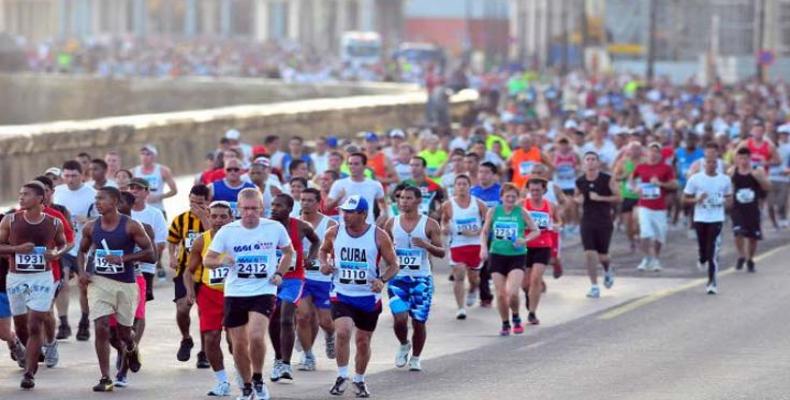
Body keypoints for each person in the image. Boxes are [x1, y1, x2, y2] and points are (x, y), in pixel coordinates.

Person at [203, 188, 295, 400]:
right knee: (238, 344)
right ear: (238, 208)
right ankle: (246, 387)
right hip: (235, 292)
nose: (250, 213)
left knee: (255, 335)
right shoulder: (228, 231)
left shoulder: (274, 227)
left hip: (264, 289)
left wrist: (280, 273)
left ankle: (258, 380)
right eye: (245, 208)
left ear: (262, 208)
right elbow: (208, 259)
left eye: (254, 208)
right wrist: (220, 260)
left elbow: (289, 252)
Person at [319, 195, 399, 398]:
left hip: (367, 297)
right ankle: (342, 375)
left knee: (363, 341)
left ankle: (359, 380)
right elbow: (323, 251)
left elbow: (394, 265)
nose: (344, 215)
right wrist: (324, 264)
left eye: (349, 212)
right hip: (341, 293)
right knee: (343, 332)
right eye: (343, 211)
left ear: (363, 214)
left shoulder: (379, 236)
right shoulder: (334, 231)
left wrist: (382, 279)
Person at [76, 186, 154, 392]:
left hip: (126, 283)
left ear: (115, 201)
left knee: (124, 334)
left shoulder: (131, 226)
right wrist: (82, 272)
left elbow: (150, 254)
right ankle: (105, 377)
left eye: (101, 199)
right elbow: (81, 252)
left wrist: (124, 258)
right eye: (96, 199)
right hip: (99, 282)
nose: (97, 203)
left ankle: (131, 347)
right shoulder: (91, 227)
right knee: (101, 327)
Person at [0, 182, 68, 389]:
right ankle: (31, 350)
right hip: (16, 277)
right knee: (21, 326)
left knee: (35, 323)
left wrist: (56, 254)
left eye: (26, 194)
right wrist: (17, 248)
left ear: (40, 199)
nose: (21, 198)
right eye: (20, 194)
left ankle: (29, 373)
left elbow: (63, 243)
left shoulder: (54, 223)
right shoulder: (10, 220)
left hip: (42, 277)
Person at [384, 186, 444, 371]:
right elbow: (381, 249)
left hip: (421, 279)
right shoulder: (391, 223)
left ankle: (416, 357)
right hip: (398, 279)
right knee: (400, 319)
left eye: (408, 198)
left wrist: (426, 245)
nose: (404, 201)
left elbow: (441, 252)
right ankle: (403, 344)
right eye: (401, 198)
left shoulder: (430, 224)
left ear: (418, 201)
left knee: (418, 321)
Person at [184, 200, 234, 396]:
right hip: (209, 293)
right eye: (214, 216)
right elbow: (189, 271)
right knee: (211, 338)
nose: (218, 220)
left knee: (234, 340)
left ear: (231, 218)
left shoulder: (239, 238)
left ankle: (242, 374)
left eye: (223, 216)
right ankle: (222, 381)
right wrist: (189, 291)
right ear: (208, 217)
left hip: (235, 294)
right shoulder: (202, 240)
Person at [268, 193, 320, 383]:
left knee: (286, 318)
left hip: (294, 278)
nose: (274, 208)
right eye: (273, 204)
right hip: (271, 279)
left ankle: (286, 364)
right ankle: (277, 359)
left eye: (279, 206)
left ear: (289, 209)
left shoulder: (301, 226)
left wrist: (311, 258)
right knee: (273, 320)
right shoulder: (265, 226)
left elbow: (316, 240)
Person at [479, 183, 539, 336]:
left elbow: (535, 230)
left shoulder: (521, 212)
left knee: (512, 292)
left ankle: (516, 317)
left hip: (517, 256)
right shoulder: (493, 211)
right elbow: (484, 232)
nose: (511, 199)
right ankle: (505, 323)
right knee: (500, 294)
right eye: (507, 196)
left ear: (517, 198)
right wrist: (483, 248)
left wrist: (524, 240)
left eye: (513, 197)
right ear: (501, 197)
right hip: (497, 255)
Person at [112, 191, 157, 387]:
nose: (114, 205)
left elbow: (152, 257)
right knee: (112, 333)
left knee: (132, 323)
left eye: (119, 202)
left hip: (134, 278)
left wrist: (125, 258)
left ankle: (122, 370)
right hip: (108, 279)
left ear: (130, 205)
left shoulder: (143, 227)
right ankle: (131, 349)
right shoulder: (101, 227)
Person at [167, 184, 211, 368]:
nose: (195, 207)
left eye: (200, 203)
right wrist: (171, 256)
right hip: (186, 271)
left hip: (209, 272)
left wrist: (204, 217)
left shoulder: (215, 218)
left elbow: (216, 237)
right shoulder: (181, 219)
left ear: (207, 201)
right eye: (192, 202)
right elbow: (173, 240)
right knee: (182, 308)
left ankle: (205, 352)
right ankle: (186, 338)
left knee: (205, 313)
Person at [295, 188, 338, 372]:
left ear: (318, 202)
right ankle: (308, 355)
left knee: (325, 322)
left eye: (309, 200)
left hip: (323, 278)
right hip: (301, 277)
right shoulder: (293, 222)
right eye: (302, 199)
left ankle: (329, 335)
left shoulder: (330, 224)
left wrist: (330, 264)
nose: (305, 203)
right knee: (303, 316)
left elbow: (338, 250)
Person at [53, 160, 96, 341]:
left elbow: (104, 218)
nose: (70, 179)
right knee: (61, 284)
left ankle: (85, 321)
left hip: (85, 247)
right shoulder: (58, 192)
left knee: (83, 286)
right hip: (64, 247)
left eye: (74, 175)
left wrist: (88, 220)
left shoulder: (92, 194)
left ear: (82, 175)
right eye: (67, 175)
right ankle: (63, 323)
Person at [683, 143, 733, 294]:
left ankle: (712, 283)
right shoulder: (695, 179)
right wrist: (696, 200)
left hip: (717, 218)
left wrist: (723, 201)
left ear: (717, 162)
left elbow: (730, 199)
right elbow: (684, 199)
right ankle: (701, 258)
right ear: (704, 162)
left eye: (714, 161)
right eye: (708, 161)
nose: (711, 164)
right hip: (700, 218)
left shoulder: (724, 179)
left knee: (712, 251)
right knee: (703, 249)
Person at [440, 174, 487, 319]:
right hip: (458, 244)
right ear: (454, 187)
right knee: (459, 274)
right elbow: (444, 223)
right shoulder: (448, 205)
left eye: (464, 184)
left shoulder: (479, 204)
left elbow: (488, 223)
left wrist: (478, 231)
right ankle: (460, 308)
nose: (461, 187)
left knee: (474, 277)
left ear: (469, 186)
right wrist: (445, 229)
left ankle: (473, 289)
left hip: (475, 245)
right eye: (458, 184)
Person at [575, 152, 621, 299]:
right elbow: (576, 197)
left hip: (604, 220)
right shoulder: (580, 181)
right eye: (587, 159)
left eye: (593, 159)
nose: (590, 162)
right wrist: (578, 200)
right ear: (583, 163)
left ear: (598, 162)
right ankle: (594, 286)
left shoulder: (607, 179)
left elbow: (619, 197)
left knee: (602, 256)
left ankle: (608, 269)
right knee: (589, 254)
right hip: (587, 220)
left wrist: (600, 198)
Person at [631, 143, 678, 271]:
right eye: (650, 151)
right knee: (645, 233)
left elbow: (674, 185)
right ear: (646, 153)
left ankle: (656, 259)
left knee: (659, 235)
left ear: (659, 154)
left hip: (660, 207)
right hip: (644, 205)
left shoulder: (666, 168)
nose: (653, 153)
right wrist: (635, 189)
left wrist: (660, 183)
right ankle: (646, 258)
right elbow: (632, 179)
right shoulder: (641, 167)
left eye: (656, 151)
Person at [523, 178, 562, 325]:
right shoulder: (522, 204)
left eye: (538, 190)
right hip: (525, 246)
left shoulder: (550, 206)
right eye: (532, 190)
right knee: (525, 283)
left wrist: (557, 225)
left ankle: (532, 313)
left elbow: (558, 220)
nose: (535, 193)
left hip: (543, 245)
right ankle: (528, 295)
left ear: (544, 190)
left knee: (535, 279)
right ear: (528, 191)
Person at [729, 147, 771, 272]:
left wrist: (758, 178)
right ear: (736, 159)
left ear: (750, 158)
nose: (743, 161)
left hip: (752, 208)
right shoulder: (732, 171)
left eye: (746, 158)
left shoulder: (757, 170)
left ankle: (750, 259)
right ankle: (741, 255)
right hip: (738, 208)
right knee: (738, 232)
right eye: (740, 158)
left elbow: (768, 187)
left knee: (753, 237)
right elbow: (727, 188)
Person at [127, 178, 168, 299]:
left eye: (138, 188)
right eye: (131, 188)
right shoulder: (121, 212)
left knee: (140, 305)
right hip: (124, 265)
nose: (134, 191)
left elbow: (160, 243)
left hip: (146, 266)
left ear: (147, 192)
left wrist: (141, 256)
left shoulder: (156, 213)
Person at [470, 162, 502, 308]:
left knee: (492, 266)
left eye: (487, 172)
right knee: (480, 267)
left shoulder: (500, 192)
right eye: (480, 172)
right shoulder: (472, 192)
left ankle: (494, 292)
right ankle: (485, 295)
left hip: (497, 236)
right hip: (478, 235)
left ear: (494, 175)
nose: (483, 175)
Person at [326, 153, 387, 226]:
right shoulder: (339, 184)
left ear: (364, 166)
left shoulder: (375, 184)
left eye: (356, 164)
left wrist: (383, 215)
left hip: (368, 228)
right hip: (345, 229)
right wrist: (338, 198)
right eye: (350, 164)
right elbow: (327, 207)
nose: (352, 166)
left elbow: (382, 203)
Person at [613, 142, 642, 251]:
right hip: (627, 195)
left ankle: (638, 235)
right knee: (628, 223)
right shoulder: (623, 162)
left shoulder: (644, 162)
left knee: (637, 219)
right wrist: (624, 176)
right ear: (628, 151)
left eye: (637, 149)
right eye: (633, 149)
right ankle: (631, 240)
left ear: (640, 150)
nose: (635, 151)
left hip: (640, 196)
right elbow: (615, 177)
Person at [132, 144, 178, 212]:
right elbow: (126, 191)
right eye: (142, 154)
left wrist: (159, 197)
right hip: (139, 211)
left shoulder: (163, 170)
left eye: (148, 154)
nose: (144, 156)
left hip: (158, 209)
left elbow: (174, 191)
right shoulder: (133, 171)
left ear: (154, 156)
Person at [404, 156, 446, 221]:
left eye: (417, 165)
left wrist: (437, 213)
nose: (413, 168)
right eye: (411, 165)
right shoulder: (404, 185)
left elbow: (444, 202)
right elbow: (393, 203)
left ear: (424, 168)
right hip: (408, 221)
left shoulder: (434, 185)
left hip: (428, 221)